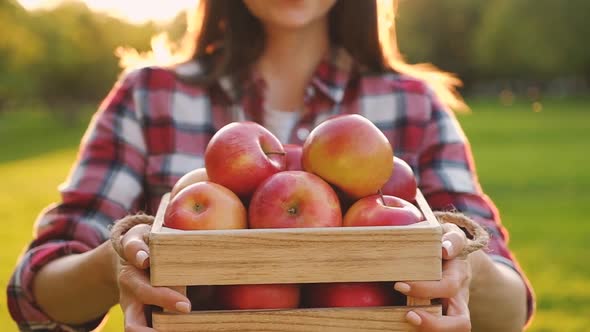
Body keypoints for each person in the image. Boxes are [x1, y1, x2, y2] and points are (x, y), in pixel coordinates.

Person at [7, 1, 534, 331]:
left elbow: (512, 309)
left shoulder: (413, 104)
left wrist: (464, 267)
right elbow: (35, 295)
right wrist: (118, 264)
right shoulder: (149, 97)